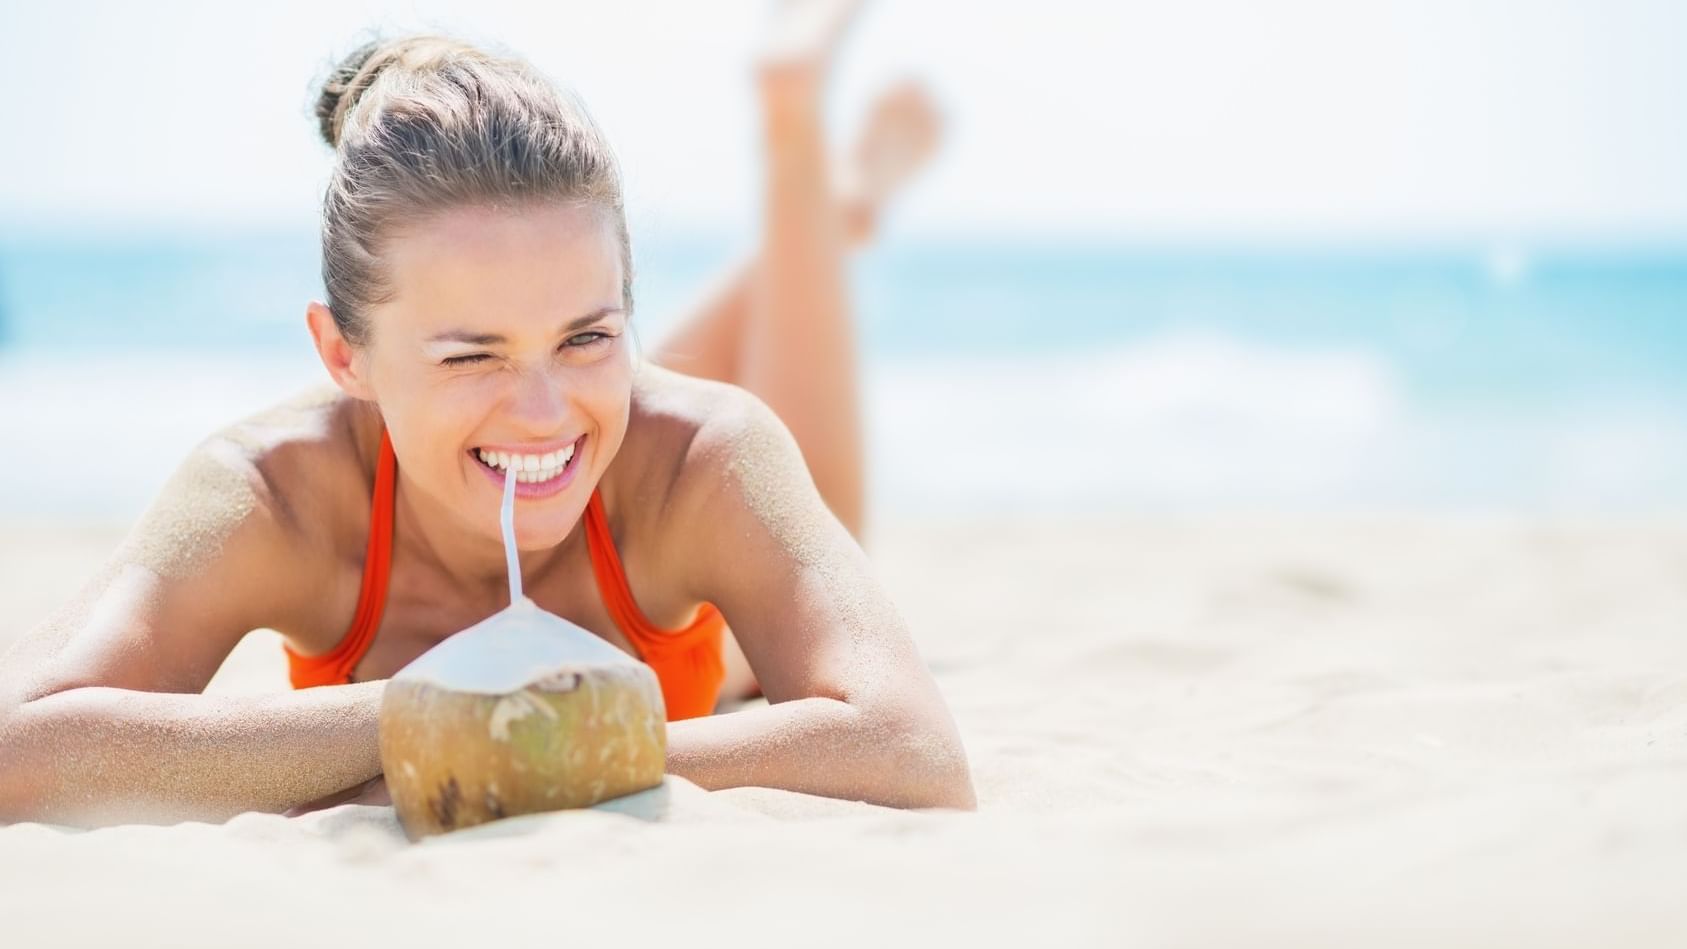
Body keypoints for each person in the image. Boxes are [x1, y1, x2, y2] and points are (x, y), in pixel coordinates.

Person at [0, 0, 974, 826]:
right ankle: (822, 200)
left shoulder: (700, 453)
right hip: (657, 644)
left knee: (796, 499)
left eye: (590, 334)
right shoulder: (274, 492)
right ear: (344, 354)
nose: (544, 406)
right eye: (471, 354)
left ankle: (798, 142)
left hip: (722, 663)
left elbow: (914, 749)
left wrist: (519, 758)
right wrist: (436, 717)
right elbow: (16, 744)